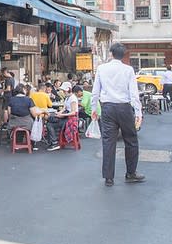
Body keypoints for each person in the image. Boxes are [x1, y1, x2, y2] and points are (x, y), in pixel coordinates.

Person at [91, 42, 144, 186]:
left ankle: (109, 178)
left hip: (107, 107)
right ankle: (131, 173)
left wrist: (94, 108)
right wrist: (138, 112)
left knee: (108, 142)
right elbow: (134, 93)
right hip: (124, 107)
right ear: (123, 55)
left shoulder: (102, 68)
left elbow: (95, 91)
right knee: (131, 140)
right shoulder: (128, 70)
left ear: (111, 54)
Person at [45, 82, 78, 151]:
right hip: (65, 117)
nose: (63, 92)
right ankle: (54, 142)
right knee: (49, 123)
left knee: (49, 121)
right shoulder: (67, 98)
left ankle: (54, 142)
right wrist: (59, 112)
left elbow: (73, 112)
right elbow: (64, 108)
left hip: (69, 119)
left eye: (64, 91)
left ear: (68, 89)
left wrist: (61, 114)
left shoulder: (73, 99)